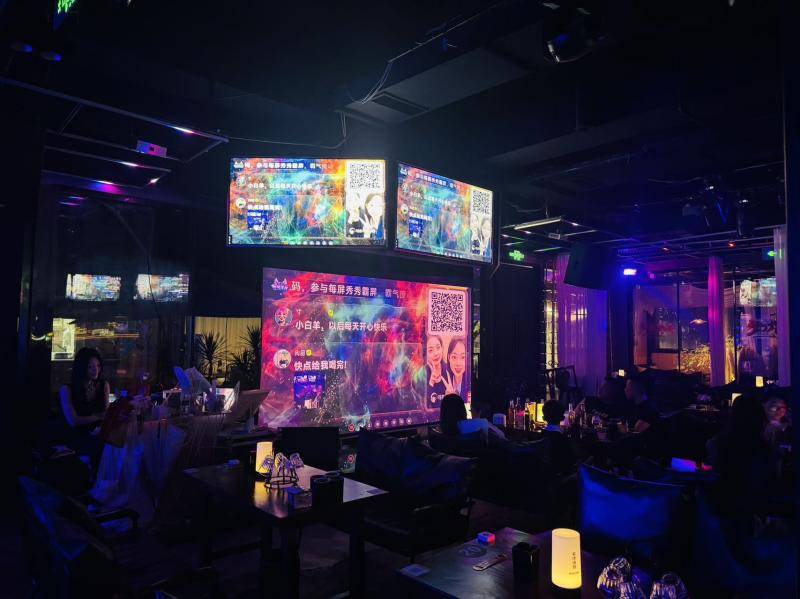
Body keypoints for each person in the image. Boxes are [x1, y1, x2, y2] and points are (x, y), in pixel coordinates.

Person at [706, 394, 781, 516]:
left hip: (723, 505)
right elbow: (772, 479)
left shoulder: (719, 443)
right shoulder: (764, 449)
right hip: (755, 508)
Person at [59, 347, 109, 465]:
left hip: (99, 434)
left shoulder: (104, 385)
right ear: (81, 368)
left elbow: (106, 414)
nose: (96, 370)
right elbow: (73, 421)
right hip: (76, 438)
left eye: (98, 366)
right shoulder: (67, 389)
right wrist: (98, 416)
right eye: (91, 367)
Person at [439, 394, 506, 441]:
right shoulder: (480, 424)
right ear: (462, 409)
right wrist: (477, 420)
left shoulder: (442, 431)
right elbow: (502, 436)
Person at [541, 399, 577, 475]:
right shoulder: (561, 438)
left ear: (544, 418)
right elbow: (571, 461)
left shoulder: (542, 435)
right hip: (561, 476)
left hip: (545, 473)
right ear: (563, 418)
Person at [425, 336, 447, 407]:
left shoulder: (449, 369)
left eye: (438, 347)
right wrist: (431, 383)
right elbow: (423, 406)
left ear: (442, 348)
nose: (436, 353)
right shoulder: (422, 373)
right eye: (430, 350)